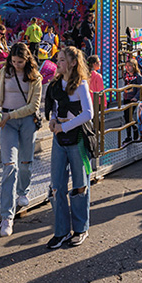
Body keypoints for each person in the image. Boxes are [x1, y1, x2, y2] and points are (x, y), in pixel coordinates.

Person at [0, 43, 43, 238]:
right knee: (9, 166)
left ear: (27, 60)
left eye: (19, 62)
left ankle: (23, 191)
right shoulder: (5, 72)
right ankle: (6, 216)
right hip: (7, 122)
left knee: (25, 162)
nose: (16, 65)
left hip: (26, 121)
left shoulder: (36, 77)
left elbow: (33, 106)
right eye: (13, 61)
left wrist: (10, 116)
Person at [44, 47, 94, 249]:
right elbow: (55, 107)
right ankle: (61, 231)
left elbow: (88, 113)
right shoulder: (55, 84)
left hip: (77, 138)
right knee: (56, 186)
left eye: (62, 60)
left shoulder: (81, 85)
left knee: (80, 185)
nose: (58, 63)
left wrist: (64, 126)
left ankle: (81, 229)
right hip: (58, 139)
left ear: (74, 62)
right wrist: (53, 120)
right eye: (58, 59)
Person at [120, 53, 142, 145]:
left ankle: (135, 130)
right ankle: (129, 135)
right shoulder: (125, 75)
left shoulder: (138, 77)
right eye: (126, 66)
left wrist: (136, 97)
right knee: (126, 117)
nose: (127, 68)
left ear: (134, 66)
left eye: (129, 66)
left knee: (130, 116)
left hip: (133, 99)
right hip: (126, 98)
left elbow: (139, 89)